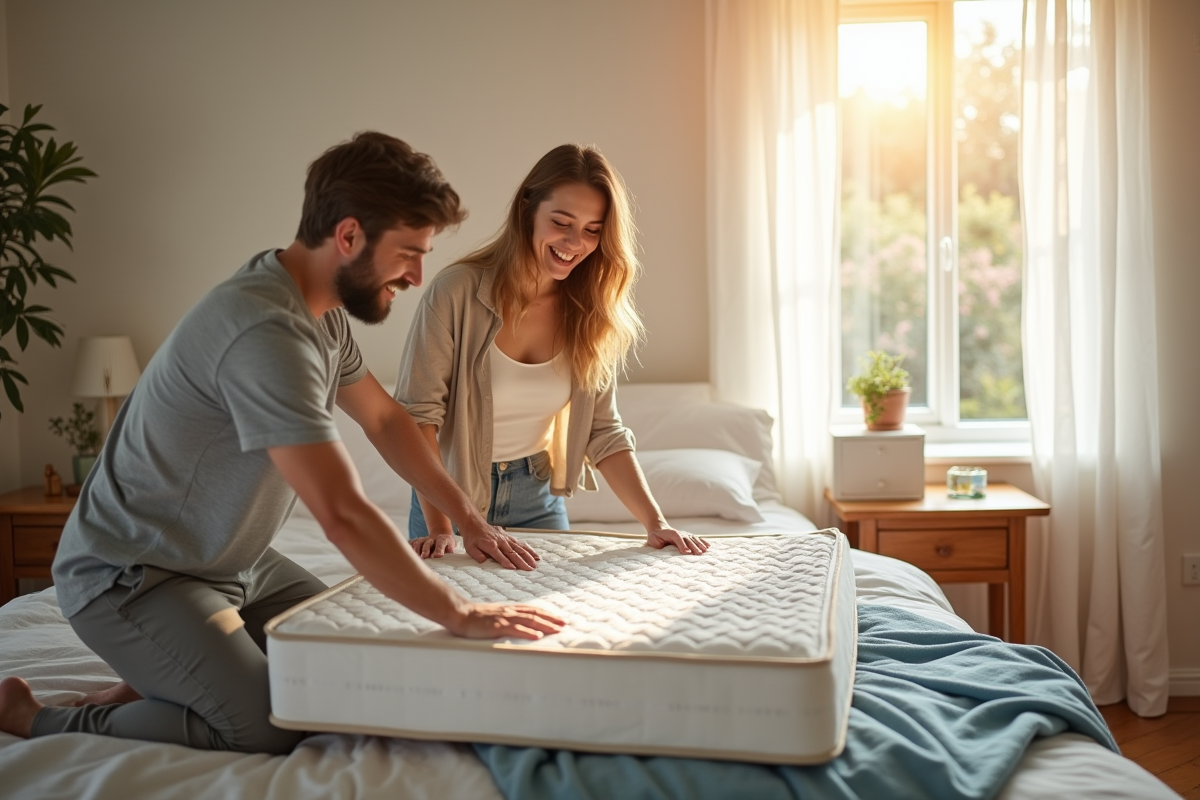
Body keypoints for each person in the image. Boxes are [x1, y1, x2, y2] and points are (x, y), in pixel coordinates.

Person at [0, 132, 564, 753]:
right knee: (270, 724)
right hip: (136, 576)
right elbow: (344, 514)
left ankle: (155, 678)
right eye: (408, 253)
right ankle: (38, 720)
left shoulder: (317, 309)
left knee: (335, 671)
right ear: (348, 236)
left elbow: (384, 421)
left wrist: (468, 518)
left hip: (238, 564)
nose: (417, 275)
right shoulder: (265, 332)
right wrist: (458, 613)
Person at [396, 144, 709, 559]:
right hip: (449, 498)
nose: (574, 242)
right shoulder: (456, 292)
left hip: (538, 498)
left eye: (593, 230)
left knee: (554, 619)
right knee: (457, 620)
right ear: (528, 209)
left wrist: (657, 523)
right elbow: (418, 417)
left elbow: (604, 432)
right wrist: (442, 528)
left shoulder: (591, 312)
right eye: (561, 222)